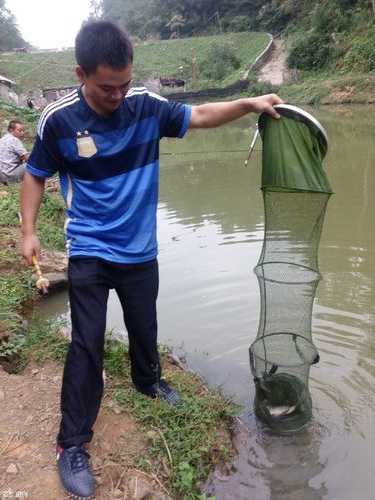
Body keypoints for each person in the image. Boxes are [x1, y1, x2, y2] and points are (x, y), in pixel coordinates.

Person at [20, 20, 283, 499]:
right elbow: (35, 175)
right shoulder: (58, 120)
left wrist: (249, 103)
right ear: (81, 73)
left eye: (124, 84)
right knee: (86, 343)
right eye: (106, 87)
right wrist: (30, 231)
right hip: (90, 247)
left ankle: (148, 381)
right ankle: (72, 443)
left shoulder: (145, 104)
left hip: (139, 249)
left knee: (145, 325)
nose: (118, 95)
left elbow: (199, 115)